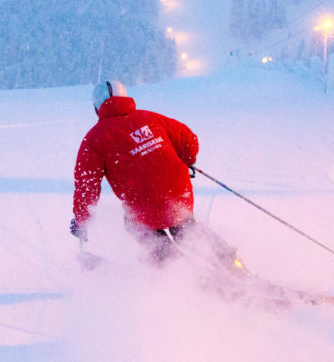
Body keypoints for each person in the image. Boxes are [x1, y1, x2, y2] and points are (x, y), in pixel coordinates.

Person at [70, 80, 246, 272]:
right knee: (186, 228)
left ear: (97, 108)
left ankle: (173, 271)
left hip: (142, 202)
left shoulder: (94, 139)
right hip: (177, 189)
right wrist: (187, 159)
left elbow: (86, 185)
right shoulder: (150, 118)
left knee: (139, 228)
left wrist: (82, 221)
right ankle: (231, 264)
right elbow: (188, 138)